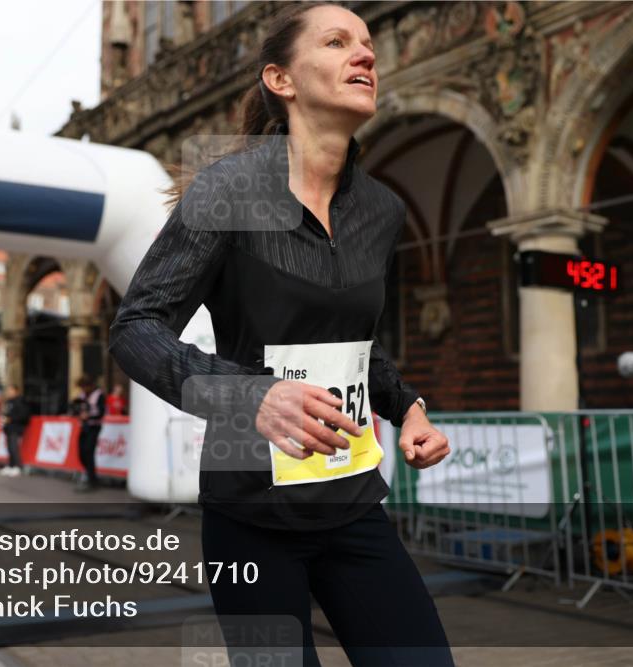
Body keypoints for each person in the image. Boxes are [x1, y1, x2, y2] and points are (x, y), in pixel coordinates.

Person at [108, 5, 453, 666]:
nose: (365, 56)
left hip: (351, 503)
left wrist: (405, 404)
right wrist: (249, 397)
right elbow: (136, 328)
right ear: (282, 79)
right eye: (336, 42)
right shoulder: (225, 192)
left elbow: (356, 346)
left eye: (368, 44)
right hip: (250, 514)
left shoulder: (381, 210)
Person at [73, 375, 105, 492]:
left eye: (84, 387)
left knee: (89, 451)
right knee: (81, 452)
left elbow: (101, 413)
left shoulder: (99, 395)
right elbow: (77, 407)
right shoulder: (82, 395)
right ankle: (90, 474)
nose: (83, 390)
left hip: (94, 426)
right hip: (84, 427)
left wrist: (89, 415)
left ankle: (92, 480)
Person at [0, 385, 31, 477]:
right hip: (8, 428)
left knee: (14, 447)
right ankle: (11, 465)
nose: (8, 392)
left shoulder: (21, 402)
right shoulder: (8, 402)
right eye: (8, 391)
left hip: (16, 428)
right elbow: (5, 414)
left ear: (16, 391)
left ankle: (18, 466)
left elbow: (24, 416)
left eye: (10, 390)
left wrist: (11, 419)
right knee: (9, 447)